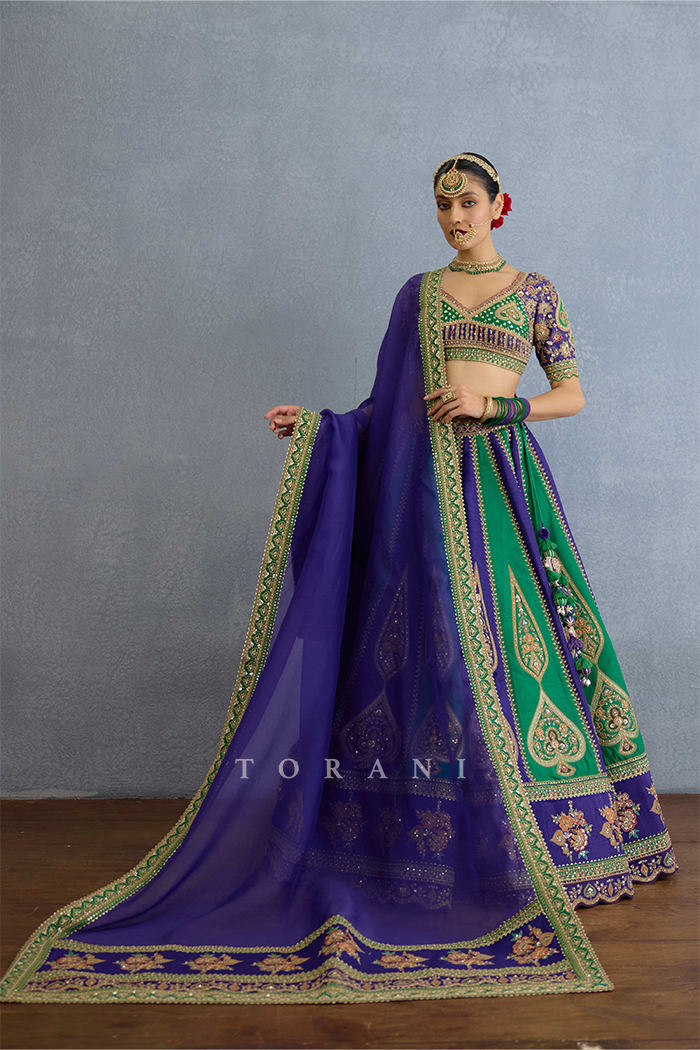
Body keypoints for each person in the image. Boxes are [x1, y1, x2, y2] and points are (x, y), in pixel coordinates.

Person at [0, 153, 677, 1006]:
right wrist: (321, 429)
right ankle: (430, 840)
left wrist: (495, 407)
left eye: (468, 202)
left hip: (501, 489)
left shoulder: (535, 292)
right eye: (442, 205)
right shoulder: (417, 296)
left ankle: (558, 843)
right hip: (421, 498)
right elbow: (386, 407)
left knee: (522, 655)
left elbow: (571, 393)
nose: (455, 217)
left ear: (500, 205)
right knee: (433, 661)